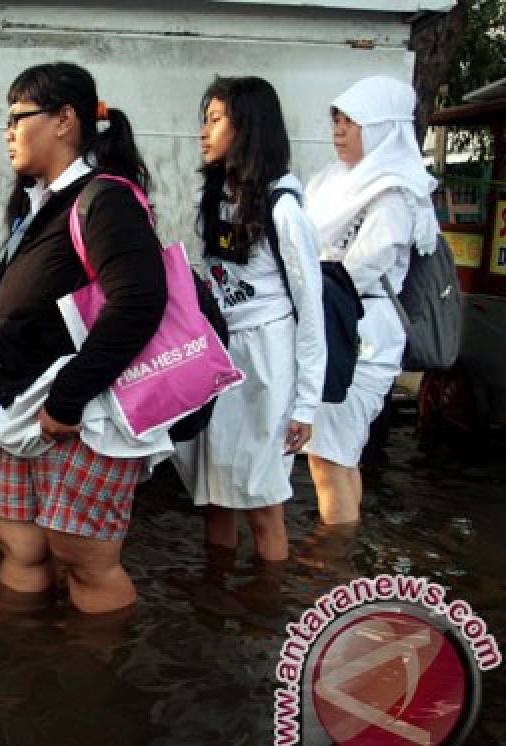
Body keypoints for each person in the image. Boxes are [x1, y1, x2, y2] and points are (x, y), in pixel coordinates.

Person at [0, 62, 168, 614]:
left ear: (65, 120)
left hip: (79, 416)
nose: (8, 132)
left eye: (19, 117)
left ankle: (94, 685)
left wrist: (66, 400)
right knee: (20, 544)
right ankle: (24, 667)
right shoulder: (39, 204)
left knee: (85, 560)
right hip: (24, 412)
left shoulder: (104, 199)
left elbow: (139, 302)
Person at [172, 76, 326, 562]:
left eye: (216, 120)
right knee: (215, 491)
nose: (204, 131)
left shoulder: (284, 210)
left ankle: (268, 612)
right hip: (221, 353)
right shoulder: (214, 198)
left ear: (248, 129)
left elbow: (310, 309)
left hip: (267, 357)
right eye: (206, 119)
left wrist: (305, 403)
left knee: (262, 498)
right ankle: (217, 613)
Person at [303, 76, 440, 524]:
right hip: (329, 322)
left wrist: (304, 278)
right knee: (337, 455)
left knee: (329, 458)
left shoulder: (396, 190)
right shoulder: (330, 180)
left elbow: (363, 265)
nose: (339, 130)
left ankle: (332, 568)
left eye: (352, 122)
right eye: (336, 120)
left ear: (383, 126)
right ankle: (342, 561)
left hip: (363, 333)